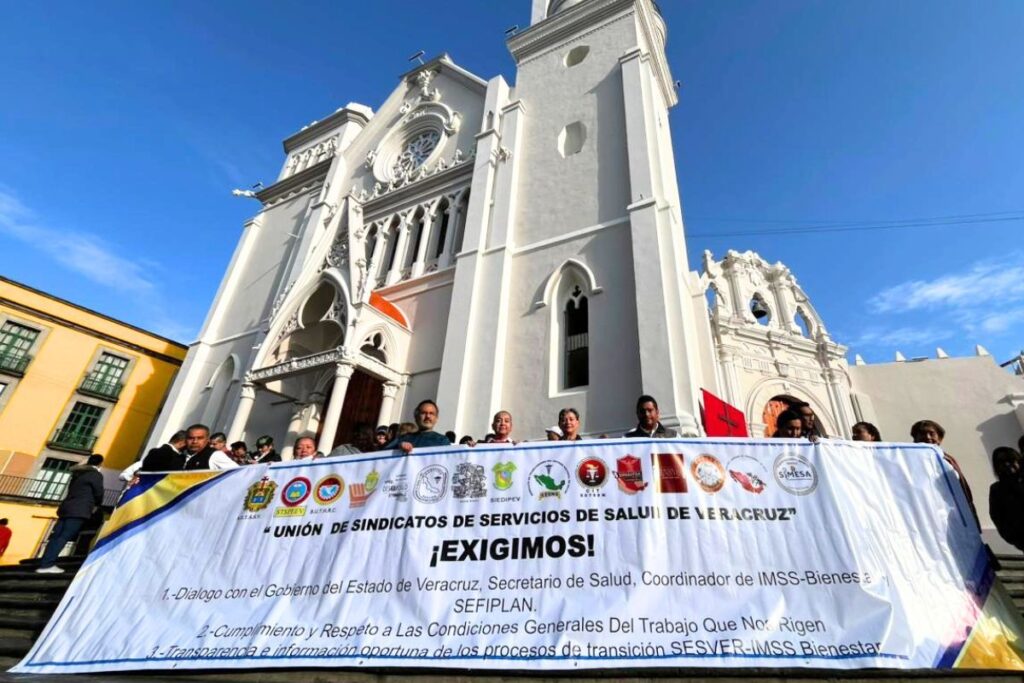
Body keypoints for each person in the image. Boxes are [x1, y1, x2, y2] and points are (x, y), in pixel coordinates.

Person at [36, 455, 105, 573]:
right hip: (79, 509)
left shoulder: (78, 474)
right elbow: (99, 493)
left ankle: (44, 562)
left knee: (57, 536)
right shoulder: (95, 475)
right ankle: (47, 565)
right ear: (100, 463)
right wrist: (96, 504)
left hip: (67, 507)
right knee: (64, 536)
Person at [911, 419, 979, 529]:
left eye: (932, 434)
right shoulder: (909, 462)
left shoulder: (948, 460)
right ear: (915, 439)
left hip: (956, 516)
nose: (928, 437)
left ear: (939, 439)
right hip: (927, 517)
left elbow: (963, 490)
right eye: (922, 434)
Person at [989, 447, 1024, 552]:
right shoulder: (997, 490)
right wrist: (1016, 539)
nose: (1008, 466)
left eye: (1011, 461)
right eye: (1002, 463)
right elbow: (997, 517)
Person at [385, 400, 450, 453]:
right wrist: (399, 446)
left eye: (431, 413)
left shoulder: (442, 441)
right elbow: (383, 455)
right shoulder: (404, 438)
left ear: (436, 418)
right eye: (424, 413)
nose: (428, 416)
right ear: (416, 417)